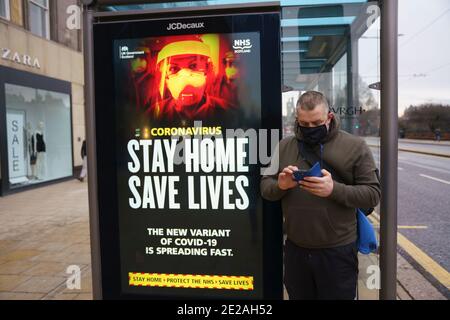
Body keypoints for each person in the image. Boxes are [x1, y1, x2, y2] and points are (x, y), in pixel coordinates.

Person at [261, 91, 381, 300]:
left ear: (329, 117)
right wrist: (280, 185)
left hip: (337, 252)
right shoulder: (283, 146)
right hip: (296, 250)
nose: (309, 129)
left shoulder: (355, 146)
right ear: (297, 119)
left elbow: (372, 194)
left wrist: (333, 189)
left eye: (316, 122)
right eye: (303, 124)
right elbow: (265, 187)